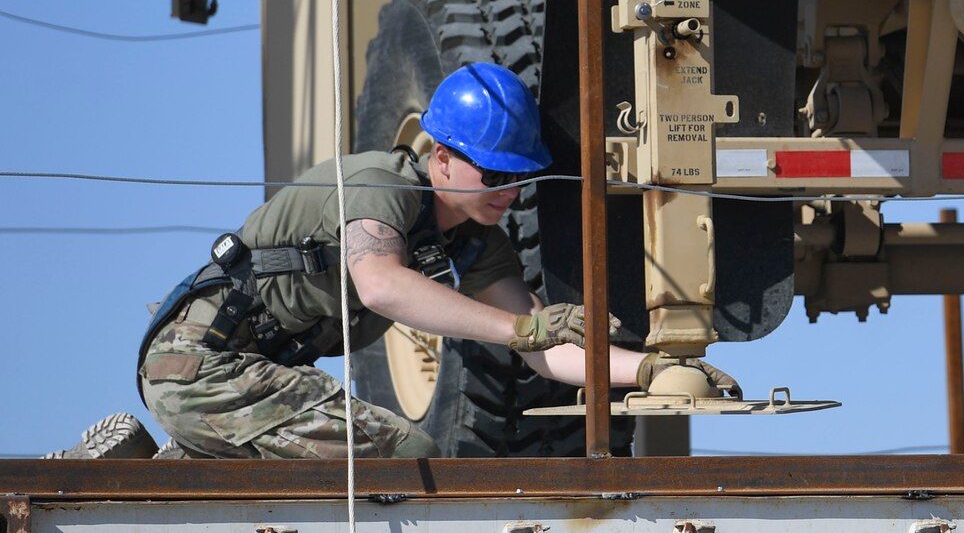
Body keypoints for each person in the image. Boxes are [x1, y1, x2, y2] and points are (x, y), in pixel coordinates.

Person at [86, 62, 667, 459]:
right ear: (441, 158)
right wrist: (521, 328)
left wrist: (650, 371)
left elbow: (545, 352)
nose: (509, 193)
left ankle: (153, 466)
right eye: (493, 174)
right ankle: (172, 456)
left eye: (521, 178)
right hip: (200, 368)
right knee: (403, 453)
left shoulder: (475, 241)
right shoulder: (382, 187)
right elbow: (382, 286)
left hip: (254, 377)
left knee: (309, 466)